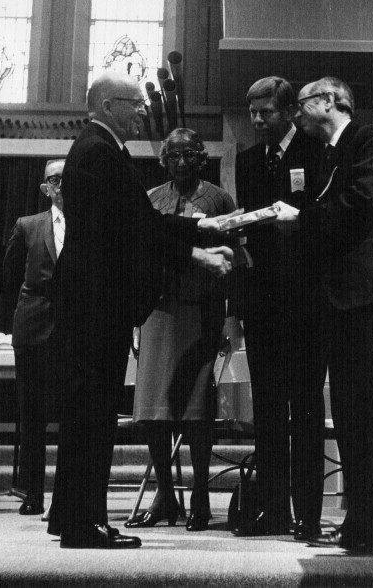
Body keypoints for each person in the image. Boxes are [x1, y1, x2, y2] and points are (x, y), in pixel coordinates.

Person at [47, 72, 233, 549]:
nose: (142, 113)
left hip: (91, 301)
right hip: (96, 303)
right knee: (93, 413)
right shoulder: (99, 151)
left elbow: (139, 223)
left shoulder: (96, 147)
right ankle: (85, 523)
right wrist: (198, 248)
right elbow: (135, 227)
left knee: (85, 411)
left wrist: (199, 229)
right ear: (110, 105)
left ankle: (71, 515)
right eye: (135, 105)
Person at [274, 76, 373, 549]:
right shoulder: (323, 156)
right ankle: (364, 522)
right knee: (353, 418)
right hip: (341, 303)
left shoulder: (370, 138)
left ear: (332, 101)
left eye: (301, 103)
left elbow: (360, 204)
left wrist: (301, 220)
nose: (295, 112)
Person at [128, 128, 236, 532]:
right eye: (172, 155)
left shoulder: (219, 198)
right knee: (155, 411)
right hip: (158, 310)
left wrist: (227, 314)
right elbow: (138, 252)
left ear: (201, 158)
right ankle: (166, 495)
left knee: (196, 410)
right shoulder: (152, 199)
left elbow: (232, 252)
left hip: (201, 310)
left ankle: (201, 497)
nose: (180, 162)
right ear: (163, 160)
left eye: (188, 155)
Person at [234, 76, 328, 537]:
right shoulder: (249, 159)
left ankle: (308, 514)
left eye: (264, 112)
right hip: (263, 304)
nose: (256, 120)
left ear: (289, 111)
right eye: (252, 112)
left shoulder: (315, 153)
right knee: (268, 408)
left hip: (305, 303)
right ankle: (272, 509)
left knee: (306, 407)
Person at [2, 159, 65, 516]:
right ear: (45, 187)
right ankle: (33, 493)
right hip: (33, 326)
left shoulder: (89, 222)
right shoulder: (28, 225)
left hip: (73, 328)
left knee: (74, 414)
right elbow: (9, 278)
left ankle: (65, 495)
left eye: (69, 179)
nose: (63, 185)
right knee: (33, 414)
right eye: (56, 180)